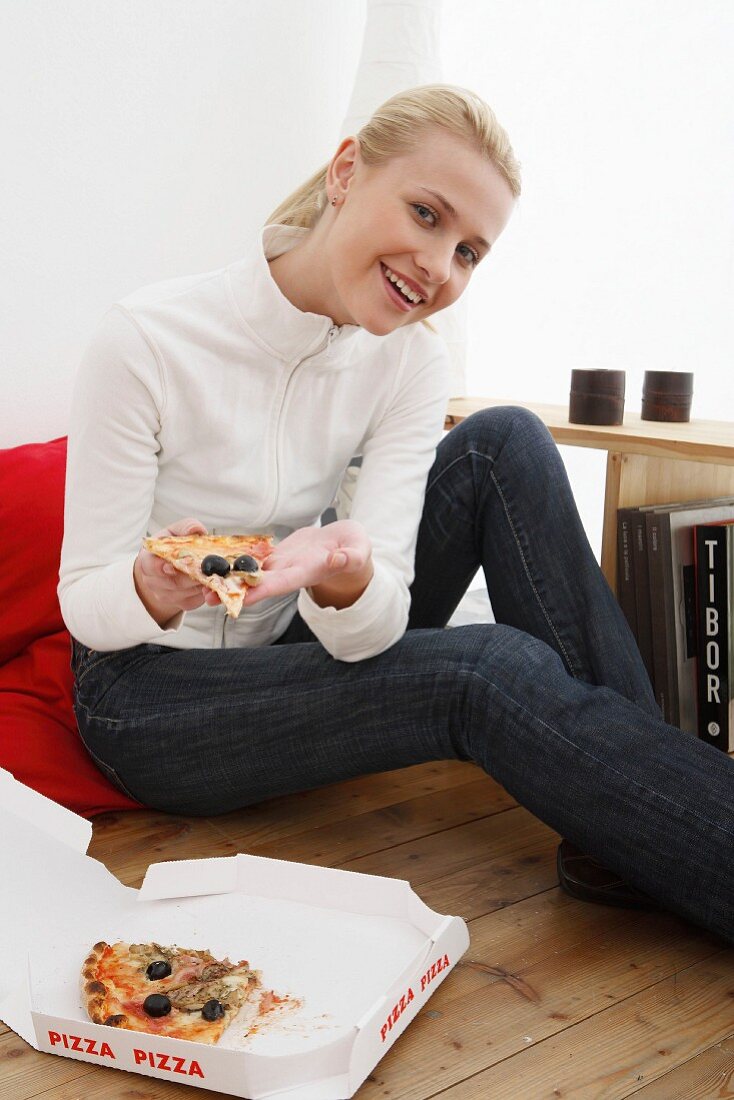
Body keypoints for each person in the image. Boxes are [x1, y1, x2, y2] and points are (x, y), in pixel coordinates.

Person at [58, 84, 734, 946]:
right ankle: (660, 821)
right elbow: (86, 602)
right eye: (425, 214)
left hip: (287, 646)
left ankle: (637, 826)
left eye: (469, 252)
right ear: (346, 172)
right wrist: (152, 588)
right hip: (147, 693)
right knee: (482, 670)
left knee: (506, 441)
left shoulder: (409, 365)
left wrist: (349, 580)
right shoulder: (148, 340)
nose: (438, 266)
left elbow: (362, 641)